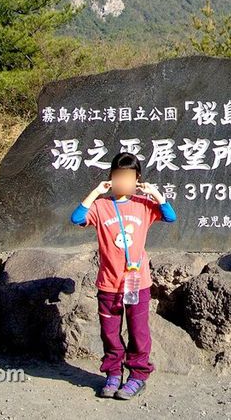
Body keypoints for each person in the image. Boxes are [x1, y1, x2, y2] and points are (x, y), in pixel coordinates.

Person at [70, 151, 176, 400]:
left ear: (137, 179)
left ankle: (138, 376)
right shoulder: (101, 206)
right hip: (109, 283)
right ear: (111, 177)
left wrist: (155, 194)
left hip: (136, 283)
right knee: (109, 332)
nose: (123, 181)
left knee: (138, 331)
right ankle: (113, 374)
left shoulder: (143, 205)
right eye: (118, 176)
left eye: (129, 177)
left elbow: (170, 216)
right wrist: (97, 191)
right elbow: (76, 218)